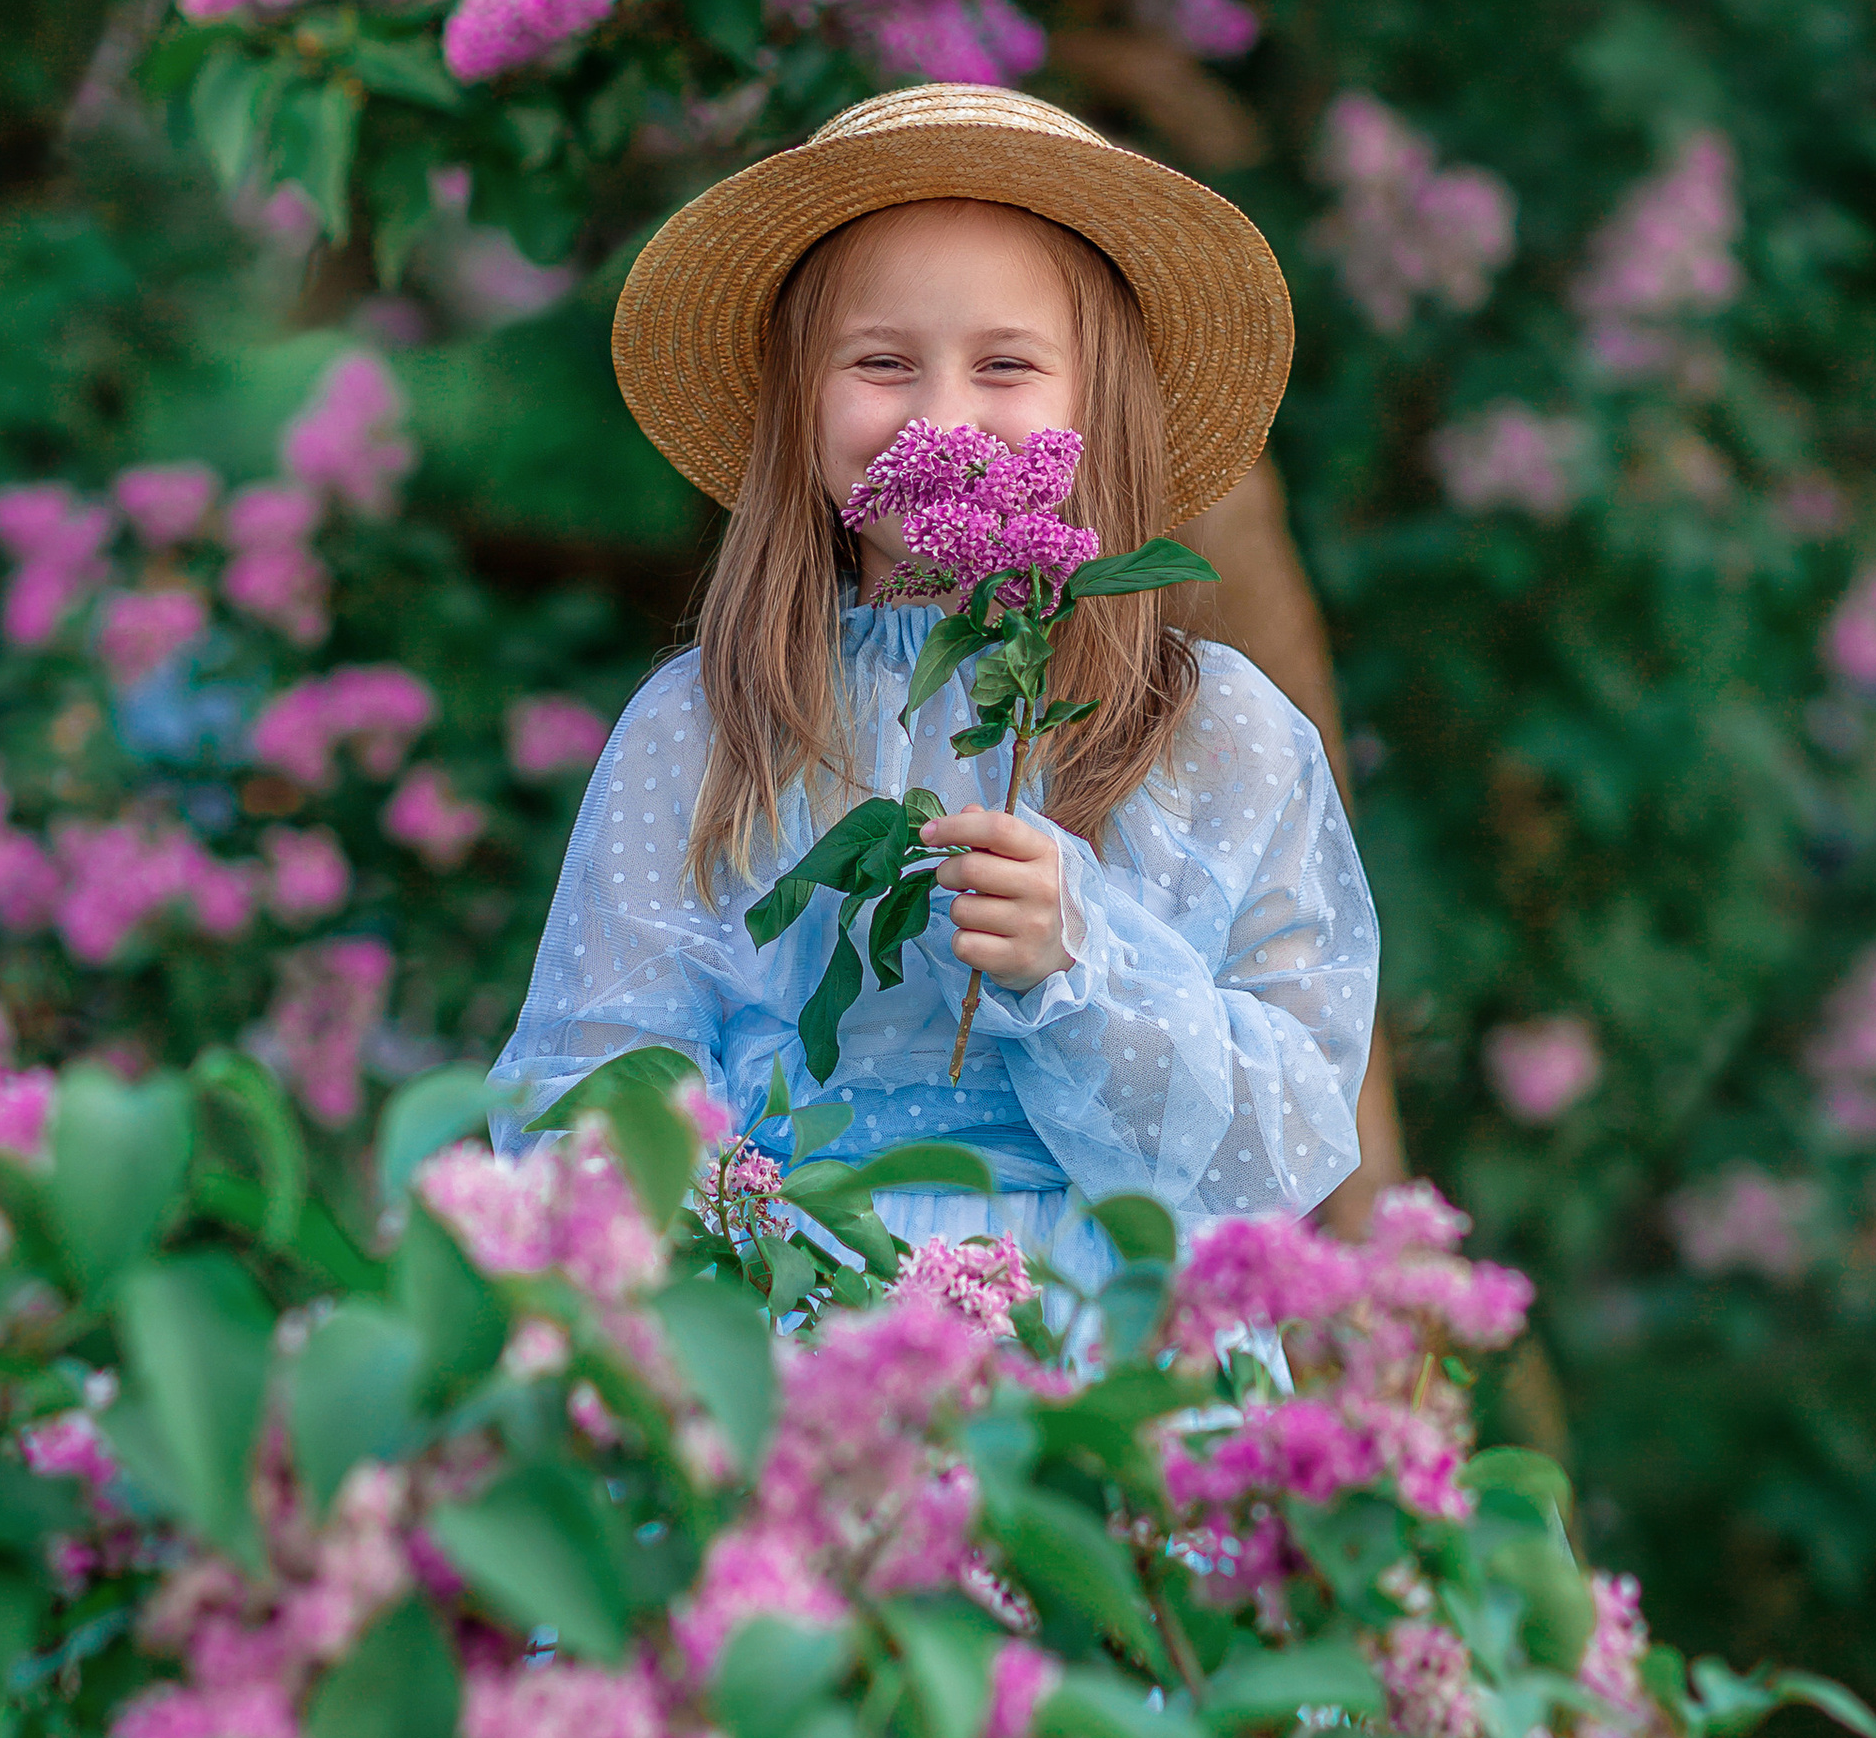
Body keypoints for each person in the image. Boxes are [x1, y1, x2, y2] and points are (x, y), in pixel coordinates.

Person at [495, 77, 1378, 1294]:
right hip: (800, 1322)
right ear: (797, 407)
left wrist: (1082, 965)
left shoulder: (1211, 730)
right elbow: (591, 1091)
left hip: (1105, 1341)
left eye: (1006, 364)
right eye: (881, 362)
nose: (943, 418)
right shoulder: (708, 724)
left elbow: (1288, 1141)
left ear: (1097, 406)